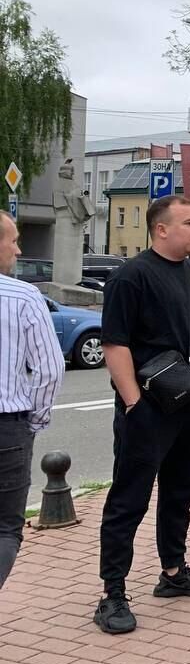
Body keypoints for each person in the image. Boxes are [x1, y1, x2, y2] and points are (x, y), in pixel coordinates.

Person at [95, 195, 190, 634]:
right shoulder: (130, 278)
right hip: (149, 409)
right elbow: (115, 344)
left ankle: (173, 573)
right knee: (129, 499)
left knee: (180, 492)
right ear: (161, 229)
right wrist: (133, 404)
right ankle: (112, 593)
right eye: (188, 222)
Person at [0, 213, 64, 590]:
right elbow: (50, 369)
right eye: (13, 240)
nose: (19, 249)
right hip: (8, 425)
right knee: (6, 527)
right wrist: (35, 420)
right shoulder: (23, 296)